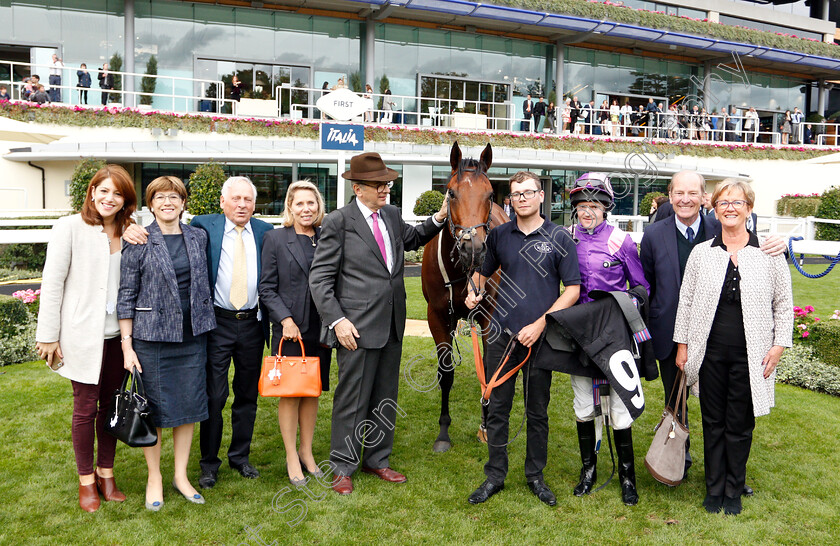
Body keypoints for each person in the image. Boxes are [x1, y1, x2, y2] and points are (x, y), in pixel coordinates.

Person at [309, 152, 448, 496]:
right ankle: (342, 466)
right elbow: (320, 279)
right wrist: (337, 320)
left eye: (386, 183)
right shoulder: (339, 222)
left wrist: (440, 217)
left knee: (385, 397)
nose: (385, 188)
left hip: (391, 324)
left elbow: (412, 239)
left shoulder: (391, 214)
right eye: (378, 184)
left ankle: (377, 459)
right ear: (358, 188)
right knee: (352, 399)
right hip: (354, 328)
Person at [641, 171, 785, 485]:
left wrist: (779, 242)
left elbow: (758, 255)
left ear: (705, 198)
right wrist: (671, 337)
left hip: (728, 339)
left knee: (728, 411)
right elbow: (648, 284)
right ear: (671, 194)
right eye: (679, 192)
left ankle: (732, 477)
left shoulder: (721, 225)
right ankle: (680, 461)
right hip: (674, 335)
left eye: (693, 193)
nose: (685, 199)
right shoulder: (653, 235)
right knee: (678, 403)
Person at [674, 179, 793, 516]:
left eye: (737, 202)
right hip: (709, 353)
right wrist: (682, 346)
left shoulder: (767, 253)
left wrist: (778, 346)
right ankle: (714, 489)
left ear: (748, 209)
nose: (729, 207)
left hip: (751, 356)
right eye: (723, 202)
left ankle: (733, 489)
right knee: (713, 422)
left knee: (739, 424)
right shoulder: (702, 253)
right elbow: (686, 303)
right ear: (714, 209)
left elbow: (783, 306)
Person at [465, 171, 580, 506]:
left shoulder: (560, 237)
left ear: (540, 196)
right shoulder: (500, 235)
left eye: (528, 193)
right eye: (516, 195)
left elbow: (572, 290)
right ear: (510, 200)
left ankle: (535, 476)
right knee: (497, 408)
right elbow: (481, 273)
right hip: (501, 335)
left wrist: (541, 323)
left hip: (540, 338)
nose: (522, 199)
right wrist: (475, 290)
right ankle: (494, 476)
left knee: (537, 410)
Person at [35, 165, 137, 513]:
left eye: (118, 193)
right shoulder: (70, 228)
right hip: (81, 335)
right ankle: (86, 482)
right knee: (85, 408)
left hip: (118, 336)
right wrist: (48, 335)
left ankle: (106, 474)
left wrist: (137, 228)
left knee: (110, 407)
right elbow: (52, 283)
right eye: (104, 191)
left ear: (126, 200)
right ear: (92, 192)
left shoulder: (130, 231)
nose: (110, 198)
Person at [118, 176, 215, 511]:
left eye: (175, 196)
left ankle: (180, 476)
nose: (168, 202)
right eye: (160, 197)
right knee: (155, 412)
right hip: (153, 339)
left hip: (193, 337)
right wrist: (127, 346)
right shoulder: (139, 239)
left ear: (184, 202)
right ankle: (154, 477)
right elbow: (126, 295)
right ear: (151, 203)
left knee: (188, 409)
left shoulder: (198, 236)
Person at [563, 173, 649, 506]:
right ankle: (589, 471)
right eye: (582, 206)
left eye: (594, 206)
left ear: (605, 208)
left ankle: (627, 477)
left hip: (615, 337)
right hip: (579, 335)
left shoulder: (621, 241)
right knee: (585, 405)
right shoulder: (566, 238)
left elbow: (642, 287)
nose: (588, 212)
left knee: (620, 407)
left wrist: (622, 305)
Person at [259, 180, 332, 486]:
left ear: (319, 207)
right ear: (290, 207)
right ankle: (291, 455)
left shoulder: (326, 237)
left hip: (322, 326)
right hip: (290, 329)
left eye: (311, 203)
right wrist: (285, 319)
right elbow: (266, 287)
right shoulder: (276, 239)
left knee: (311, 389)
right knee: (291, 392)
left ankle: (307, 451)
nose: (306, 208)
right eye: (299, 203)